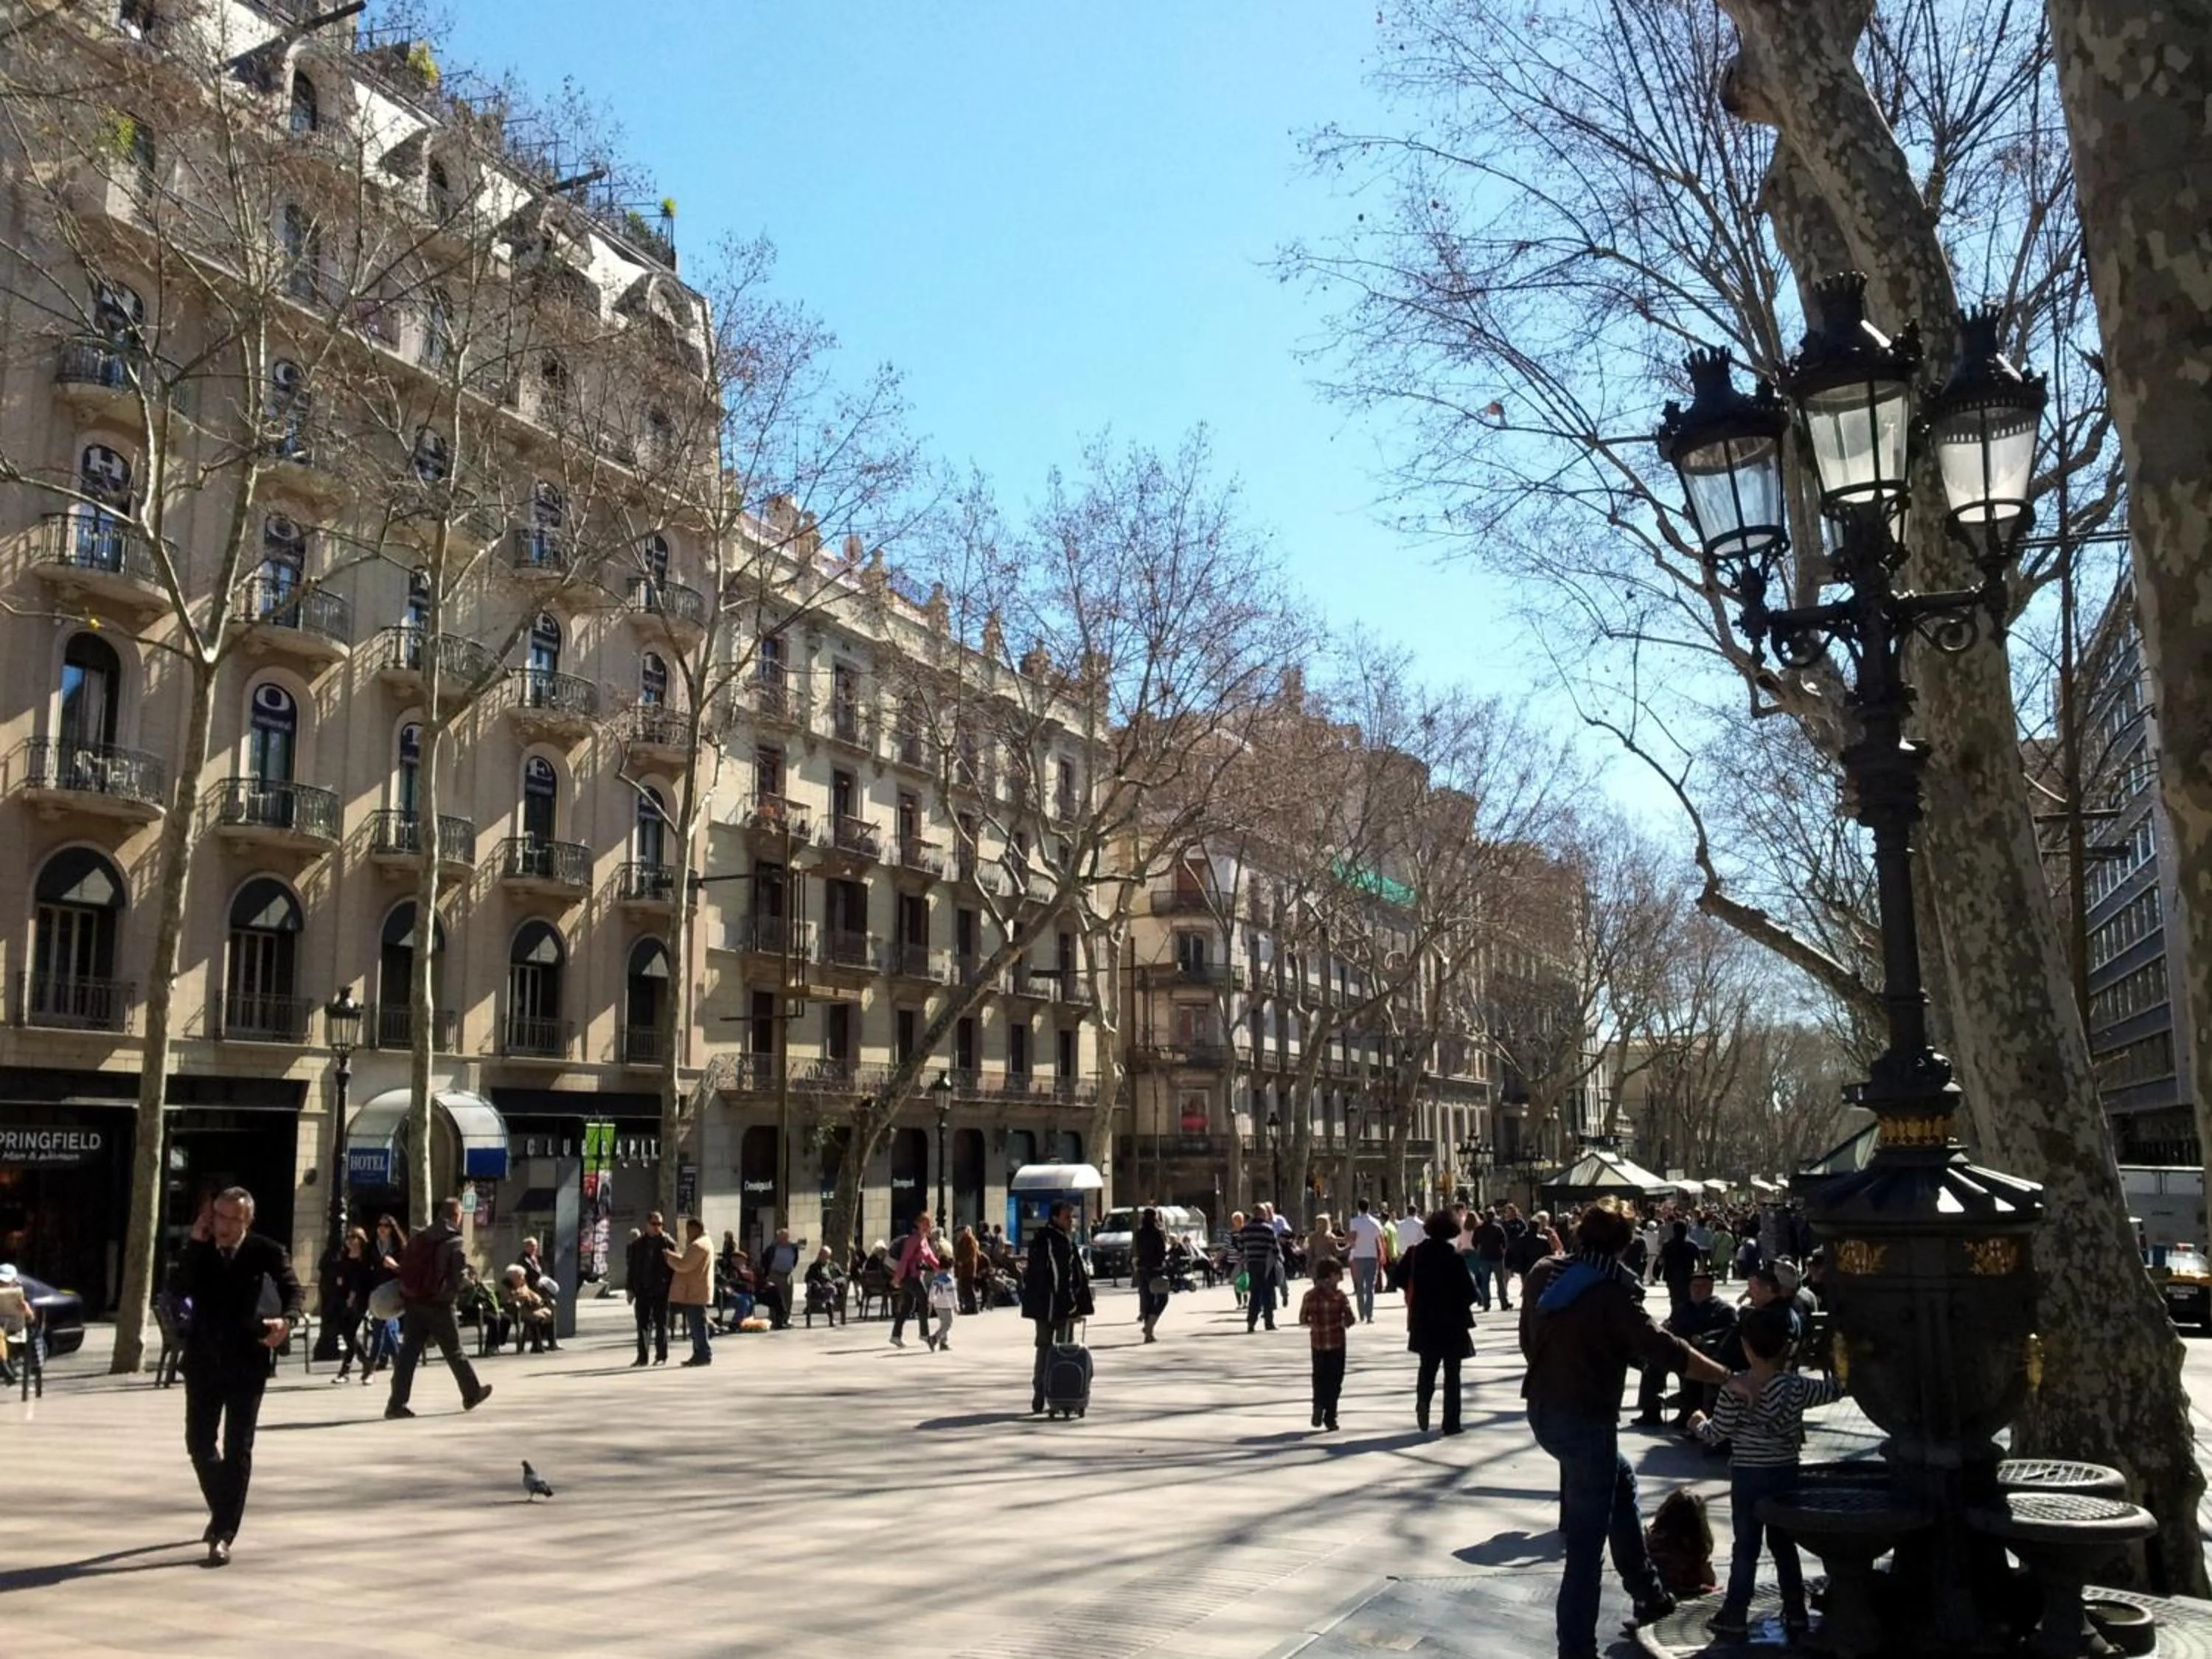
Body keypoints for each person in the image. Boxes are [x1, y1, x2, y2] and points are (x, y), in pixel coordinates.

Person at [1521, 1198, 1730, 1659]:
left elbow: (1527, 1338)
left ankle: (1650, 1595)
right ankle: (1576, 1648)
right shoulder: (1612, 1293)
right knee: (1585, 1551)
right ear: (1625, 1246)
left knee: (1622, 1480)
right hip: (1587, 1419)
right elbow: (1665, 1350)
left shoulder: (1544, 1273)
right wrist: (1726, 1376)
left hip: (1544, 1409)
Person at [1688, 1307, 1845, 1642]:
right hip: (1785, 1474)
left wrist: (1698, 1423)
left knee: (1746, 1548)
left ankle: (1735, 1616)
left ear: (1746, 1347)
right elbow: (1835, 1389)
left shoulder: (1736, 1388)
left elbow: (1717, 1433)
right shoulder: (1796, 1387)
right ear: (1785, 1348)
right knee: (1784, 1545)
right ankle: (1796, 1613)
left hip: (1748, 1476)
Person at [169, 1186, 301, 1566]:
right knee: (199, 1443)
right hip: (203, 1360)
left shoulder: (266, 1251)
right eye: (219, 1217)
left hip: (247, 1361)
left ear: (248, 1221)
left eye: (233, 1219)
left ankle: (224, 1533)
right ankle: (223, 1509)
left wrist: (287, 1322)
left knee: (238, 1446)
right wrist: (195, 1246)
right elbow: (178, 1289)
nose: (224, 1226)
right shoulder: (200, 1249)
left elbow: (294, 1291)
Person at [385, 1196, 493, 1419]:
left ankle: (396, 1404)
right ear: (456, 1216)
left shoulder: (419, 1237)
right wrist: (465, 1284)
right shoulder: (454, 1241)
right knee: (454, 1351)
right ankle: (471, 1393)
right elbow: (457, 1277)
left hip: (414, 1303)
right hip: (440, 1305)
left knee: (408, 1354)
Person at [1403, 1207, 1478, 1433]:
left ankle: (1423, 1399)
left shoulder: (1415, 1254)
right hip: (1453, 1322)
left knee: (1427, 1366)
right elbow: (1470, 1293)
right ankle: (1451, 1422)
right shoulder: (1454, 1258)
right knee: (1452, 1374)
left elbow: (1397, 1277)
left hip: (1424, 1319)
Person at [1632, 1270, 1737, 1428]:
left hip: (1704, 1354)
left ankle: (1687, 1414)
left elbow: (1730, 1330)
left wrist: (1704, 1337)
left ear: (1710, 1289)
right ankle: (1651, 1412)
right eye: (1694, 1286)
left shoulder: (1723, 1310)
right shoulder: (1683, 1308)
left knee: (1692, 1370)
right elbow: (1672, 1325)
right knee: (1653, 1365)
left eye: (1701, 1286)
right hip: (1679, 1351)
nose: (1697, 1290)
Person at [1021, 1200, 1092, 1413]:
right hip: (1058, 1306)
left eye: (1072, 1217)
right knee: (1063, 1349)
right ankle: (1060, 1392)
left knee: (1043, 1348)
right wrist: (1072, 1308)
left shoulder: (1041, 1239)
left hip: (1041, 1306)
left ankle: (1040, 1391)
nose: (1071, 1221)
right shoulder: (1058, 1242)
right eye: (1067, 1217)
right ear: (1055, 1218)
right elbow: (1062, 1279)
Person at [1299, 1257, 1353, 1430]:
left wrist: (1315, 1324)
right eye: (1338, 1275)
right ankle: (1330, 1416)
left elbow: (1303, 1319)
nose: (1341, 1278)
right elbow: (1350, 1318)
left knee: (1319, 1377)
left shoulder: (1309, 1296)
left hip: (1318, 1343)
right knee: (1335, 1379)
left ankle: (1318, 1404)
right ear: (1331, 1276)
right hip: (1337, 1342)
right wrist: (1344, 1322)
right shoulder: (1339, 1296)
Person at [627, 1211, 675, 1367]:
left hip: (661, 1289)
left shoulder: (668, 1243)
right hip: (643, 1288)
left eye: (660, 1224)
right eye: (654, 1224)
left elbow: (674, 1267)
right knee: (642, 1324)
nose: (657, 1227)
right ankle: (642, 1357)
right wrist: (630, 1289)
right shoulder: (637, 1245)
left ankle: (661, 1356)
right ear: (647, 1225)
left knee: (661, 1323)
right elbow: (632, 1268)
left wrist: (672, 1287)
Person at [664, 1217, 714, 1366]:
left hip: (695, 1291)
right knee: (697, 1324)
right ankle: (699, 1353)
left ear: (695, 1229)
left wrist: (669, 1258)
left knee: (697, 1324)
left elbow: (684, 1265)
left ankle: (703, 1354)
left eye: (688, 1230)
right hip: (696, 1290)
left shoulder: (698, 1245)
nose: (687, 1233)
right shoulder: (703, 1243)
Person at [890, 1212, 941, 1351]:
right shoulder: (914, 1240)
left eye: (929, 1224)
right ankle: (924, 1334)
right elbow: (904, 1259)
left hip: (914, 1276)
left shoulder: (924, 1240)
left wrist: (942, 1269)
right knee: (924, 1300)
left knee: (908, 1306)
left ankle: (896, 1335)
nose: (928, 1227)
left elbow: (930, 1257)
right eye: (925, 1224)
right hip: (910, 1277)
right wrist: (898, 1277)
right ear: (918, 1224)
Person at [1240, 1203, 1285, 1332]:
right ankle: (1269, 1322)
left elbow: (1240, 1246)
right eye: (1265, 1213)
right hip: (1266, 1264)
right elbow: (1275, 1249)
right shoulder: (1268, 1229)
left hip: (1252, 1263)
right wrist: (1280, 1260)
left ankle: (1251, 1322)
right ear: (1261, 1214)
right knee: (1267, 1293)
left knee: (1254, 1293)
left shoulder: (1245, 1230)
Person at [1345, 1198, 1386, 1324]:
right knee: (1370, 1287)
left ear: (1358, 1208)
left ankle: (1361, 1313)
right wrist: (1383, 1254)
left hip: (1358, 1257)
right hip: (1372, 1257)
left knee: (1360, 1287)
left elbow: (1352, 1239)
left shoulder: (1354, 1222)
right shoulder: (1375, 1222)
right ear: (1369, 1208)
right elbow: (1380, 1239)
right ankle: (1369, 1315)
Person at [1133, 1207, 1169, 1343]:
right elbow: (1162, 1251)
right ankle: (1149, 1327)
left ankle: (1148, 1333)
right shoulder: (1157, 1232)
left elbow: (1137, 1250)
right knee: (1162, 1298)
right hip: (1155, 1269)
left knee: (1147, 1299)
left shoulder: (1139, 1232)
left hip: (1142, 1269)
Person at [759, 1227, 801, 1329]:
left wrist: (790, 1268)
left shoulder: (792, 1248)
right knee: (775, 1297)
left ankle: (786, 1319)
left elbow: (795, 1260)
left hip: (787, 1274)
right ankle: (774, 1319)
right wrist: (767, 1274)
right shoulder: (772, 1248)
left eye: (785, 1237)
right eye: (781, 1237)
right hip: (775, 1274)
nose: (783, 1239)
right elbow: (765, 1261)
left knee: (788, 1298)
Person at [1656, 1219, 1703, 1312]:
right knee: (1687, 1297)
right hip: (1688, 1275)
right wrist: (1699, 1272)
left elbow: (1661, 1261)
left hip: (1671, 1275)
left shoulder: (1668, 1244)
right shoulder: (1692, 1245)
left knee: (1674, 1298)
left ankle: (1676, 1315)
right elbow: (1700, 1261)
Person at [0, 1263, 32, 1386]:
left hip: (14, 1331)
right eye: (0, 1282)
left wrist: (26, 1311)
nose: (3, 1285)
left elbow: (32, 1320)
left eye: (6, 1282)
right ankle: (4, 1366)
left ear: (14, 1281)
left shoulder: (21, 1296)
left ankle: (3, 1366)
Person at [1470, 1206, 1508, 1312]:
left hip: (1484, 1257)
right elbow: (1504, 1242)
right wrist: (1503, 1251)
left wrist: (1478, 1250)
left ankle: (1486, 1303)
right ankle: (1503, 1302)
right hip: (1497, 1257)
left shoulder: (1479, 1229)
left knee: (1485, 1281)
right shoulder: (1498, 1228)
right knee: (1500, 1281)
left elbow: (1474, 1242)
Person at [953, 1225, 983, 1315]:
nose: (959, 1234)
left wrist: (962, 1262)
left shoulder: (969, 1239)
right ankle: (969, 1307)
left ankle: (972, 1307)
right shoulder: (962, 1240)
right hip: (963, 1269)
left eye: (960, 1232)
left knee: (968, 1288)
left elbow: (971, 1253)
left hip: (968, 1268)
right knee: (965, 1288)